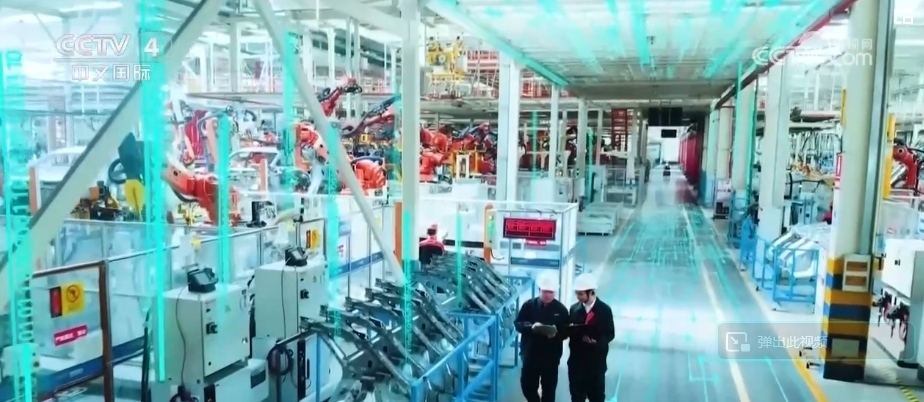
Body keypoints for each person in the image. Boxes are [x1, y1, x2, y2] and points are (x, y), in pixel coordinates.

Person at [514, 273, 570, 402]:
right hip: (530, 354)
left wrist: (555, 334)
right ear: (539, 290)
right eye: (545, 291)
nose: (547, 295)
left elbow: (566, 331)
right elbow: (518, 324)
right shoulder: (529, 306)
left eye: (551, 292)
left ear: (555, 292)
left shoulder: (561, 310)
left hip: (550, 357)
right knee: (527, 386)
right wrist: (531, 327)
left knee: (549, 390)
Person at [567, 273, 614, 402]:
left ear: (591, 292)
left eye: (581, 294)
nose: (578, 297)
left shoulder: (605, 310)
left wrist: (596, 342)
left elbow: (610, 333)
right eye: (577, 293)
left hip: (595, 365)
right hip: (577, 364)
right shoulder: (574, 309)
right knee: (576, 397)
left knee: (597, 397)